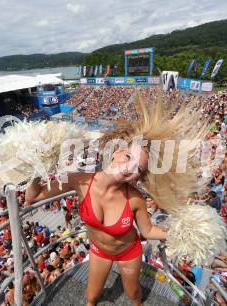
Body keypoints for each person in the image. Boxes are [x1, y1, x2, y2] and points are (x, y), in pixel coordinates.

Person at [26, 95, 201, 306]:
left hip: (128, 253)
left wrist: (180, 234)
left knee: (134, 295)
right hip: (99, 251)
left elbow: (147, 231)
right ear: (117, 152)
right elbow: (32, 197)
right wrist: (37, 163)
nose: (129, 169)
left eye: (138, 169)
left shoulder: (135, 199)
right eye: (129, 158)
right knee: (91, 298)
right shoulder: (79, 181)